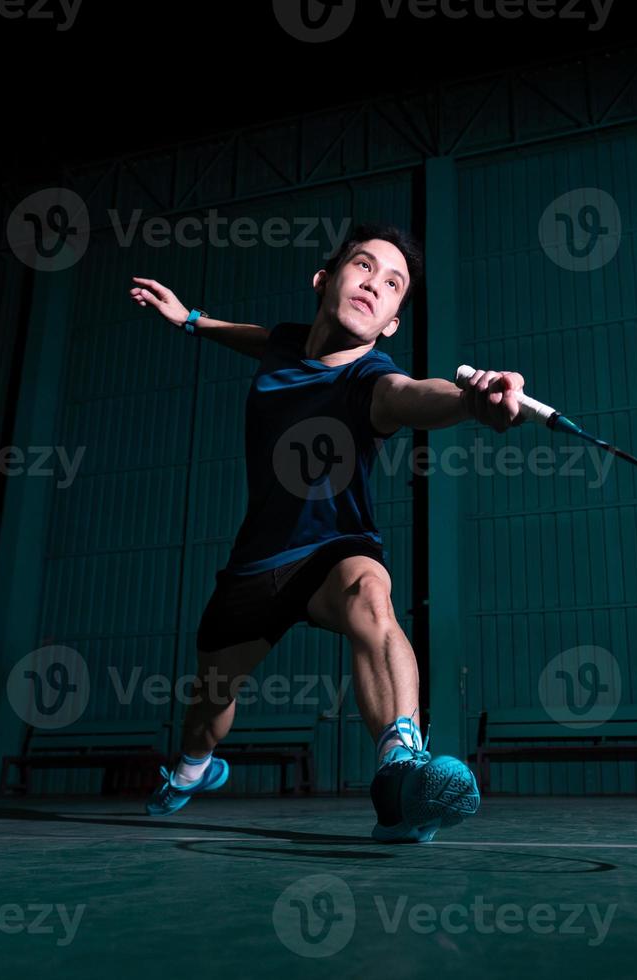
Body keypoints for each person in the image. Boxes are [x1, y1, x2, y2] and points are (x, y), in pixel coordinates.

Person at [126, 222, 523, 843]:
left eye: (394, 285)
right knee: (207, 710)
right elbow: (257, 339)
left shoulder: (373, 382)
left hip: (332, 550)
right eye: (364, 267)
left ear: (392, 321)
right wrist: (190, 320)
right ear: (324, 278)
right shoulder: (286, 345)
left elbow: (417, 395)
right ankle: (194, 768)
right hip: (255, 566)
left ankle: (403, 775)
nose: (376, 285)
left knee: (371, 591)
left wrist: (474, 403)